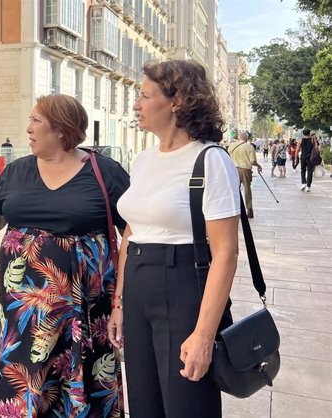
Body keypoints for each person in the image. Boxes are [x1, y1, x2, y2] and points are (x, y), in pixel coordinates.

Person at [0, 94, 128, 416]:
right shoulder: (16, 171)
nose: (27, 129)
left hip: (83, 311)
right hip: (22, 317)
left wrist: (121, 302)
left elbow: (134, 233)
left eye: (35, 121)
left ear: (60, 129)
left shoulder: (105, 172)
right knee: (22, 387)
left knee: (79, 388)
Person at [110, 60, 241, 418]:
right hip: (138, 286)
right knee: (144, 402)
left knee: (186, 404)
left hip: (182, 287)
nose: (136, 104)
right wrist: (119, 302)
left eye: (144, 96)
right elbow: (132, 232)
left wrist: (203, 334)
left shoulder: (209, 160)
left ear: (176, 103)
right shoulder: (144, 160)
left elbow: (226, 253)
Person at [228, 131, 262, 218]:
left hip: (233, 170)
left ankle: (235, 211)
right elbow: (252, 161)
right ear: (246, 138)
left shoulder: (231, 146)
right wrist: (258, 165)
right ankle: (249, 211)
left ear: (239, 138)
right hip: (245, 170)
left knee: (235, 190)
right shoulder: (249, 146)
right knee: (247, 190)